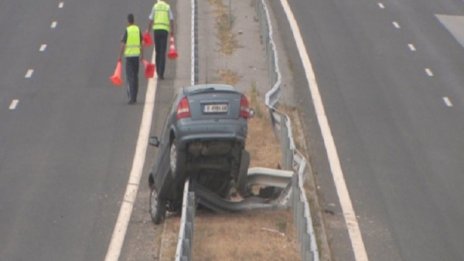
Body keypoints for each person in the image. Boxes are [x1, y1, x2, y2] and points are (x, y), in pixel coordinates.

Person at [146, 0, 174, 80]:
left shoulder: (155, 6)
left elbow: (151, 19)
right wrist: (172, 30)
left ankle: (158, 71)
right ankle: (161, 73)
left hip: (157, 31)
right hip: (164, 31)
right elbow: (171, 19)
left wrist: (148, 30)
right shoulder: (167, 7)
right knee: (162, 52)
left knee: (157, 52)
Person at [119, 13, 143, 104]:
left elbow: (123, 44)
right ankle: (135, 96)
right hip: (136, 56)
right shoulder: (137, 29)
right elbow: (142, 43)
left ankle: (131, 98)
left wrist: (119, 56)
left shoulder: (127, 30)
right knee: (135, 77)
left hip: (129, 57)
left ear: (128, 21)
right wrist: (142, 55)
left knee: (130, 77)